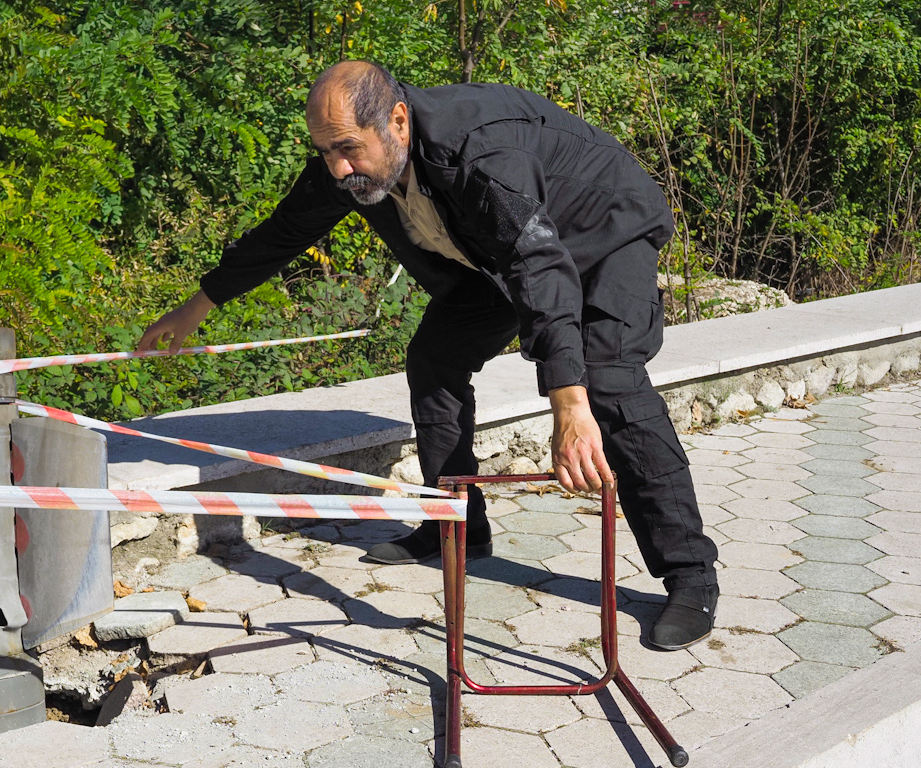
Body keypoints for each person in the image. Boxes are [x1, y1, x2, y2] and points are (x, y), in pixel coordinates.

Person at [137, 61, 720, 651]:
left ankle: (690, 576)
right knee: (435, 359)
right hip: (497, 253)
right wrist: (196, 306)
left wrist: (569, 404)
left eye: (346, 149)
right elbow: (284, 232)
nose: (337, 168)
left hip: (603, 233)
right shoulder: (350, 165)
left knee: (609, 379)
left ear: (396, 120)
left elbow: (538, 266)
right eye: (324, 151)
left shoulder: (479, 152)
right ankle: (457, 531)